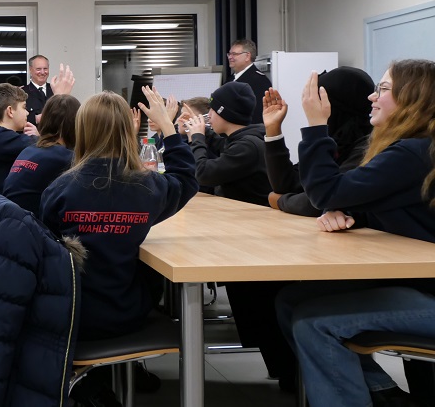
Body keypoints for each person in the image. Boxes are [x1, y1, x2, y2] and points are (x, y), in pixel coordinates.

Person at [276, 60, 435, 407]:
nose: (372, 97)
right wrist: (346, 213)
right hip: (415, 280)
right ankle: (382, 394)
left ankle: (375, 396)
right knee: (291, 301)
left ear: (413, 98)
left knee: (312, 323)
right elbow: (392, 206)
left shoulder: (413, 152)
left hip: (425, 289)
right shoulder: (416, 147)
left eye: (382, 89)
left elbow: (325, 191)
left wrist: (317, 125)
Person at [41, 87, 198, 341]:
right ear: (128, 130)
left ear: (82, 131)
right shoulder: (147, 187)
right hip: (128, 311)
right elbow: (186, 181)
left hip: (71, 313)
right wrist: (168, 127)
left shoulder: (58, 189)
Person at [183, 82, 295, 388]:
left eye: (210, 112)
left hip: (257, 241)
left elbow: (204, 173)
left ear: (222, 114)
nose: (207, 118)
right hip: (248, 236)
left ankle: (288, 374)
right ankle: (284, 371)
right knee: (255, 309)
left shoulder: (247, 145)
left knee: (259, 310)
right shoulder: (239, 140)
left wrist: (195, 138)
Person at [263, 66, 375, 216]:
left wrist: (281, 201)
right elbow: (288, 184)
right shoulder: (335, 138)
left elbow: (322, 199)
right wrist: (273, 129)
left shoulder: (369, 145)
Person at [2, 94, 80, 216]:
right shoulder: (65, 158)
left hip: (13, 225)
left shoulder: (28, 151)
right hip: (32, 229)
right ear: (75, 124)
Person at [226, 39, 272, 124]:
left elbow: (258, 115)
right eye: (229, 54)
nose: (230, 57)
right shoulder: (231, 79)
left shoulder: (259, 81)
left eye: (234, 54)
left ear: (247, 56)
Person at [21, 54, 53, 125]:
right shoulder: (22, 93)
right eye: (38, 69)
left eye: (45, 69)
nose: (42, 72)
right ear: (30, 70)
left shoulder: (55, 90)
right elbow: (16, 118)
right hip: (31, 134)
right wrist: (35, 118)